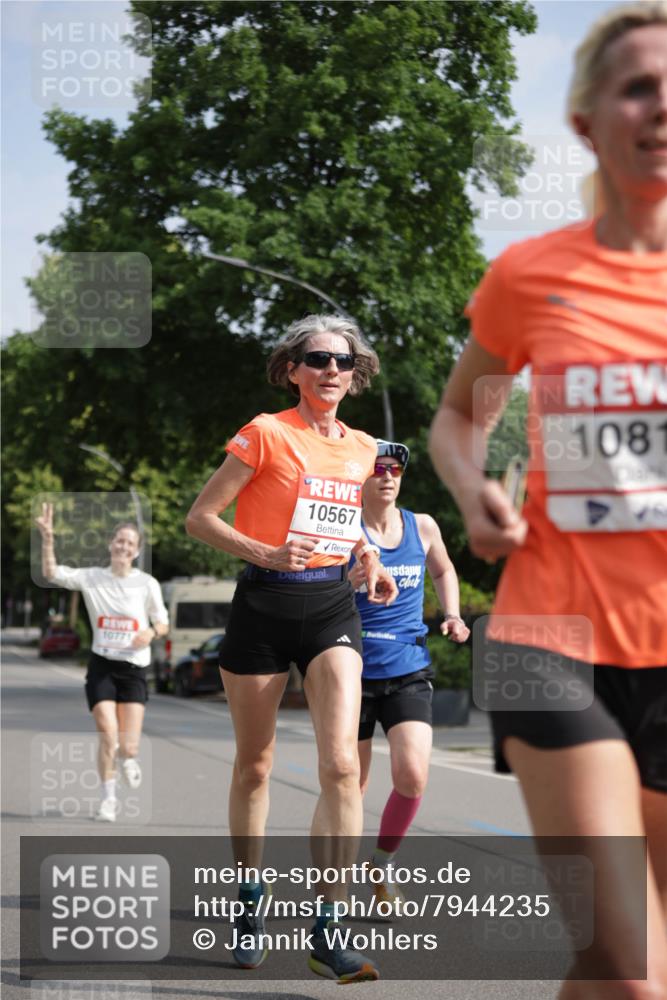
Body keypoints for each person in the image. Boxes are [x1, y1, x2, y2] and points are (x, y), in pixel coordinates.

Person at [429, 4, 667, 997]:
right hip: (549, 636)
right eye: (637, 85)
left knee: (616, 970)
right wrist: (473, 488)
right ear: (586, 122)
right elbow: (456, 414)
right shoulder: (532, 275)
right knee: (634, 964)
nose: (661, 105)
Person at [185, 314, 398, 983]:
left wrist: (370, 558)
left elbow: (349, 525)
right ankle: (249, 898)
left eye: (342, 361)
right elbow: (201, 518)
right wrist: (267, 552)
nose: (330, 369)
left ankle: (327, 926)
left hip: (333, 605)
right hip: (263, 606)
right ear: (293, 370)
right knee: (255, 765)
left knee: (341, 766)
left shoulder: (364, 447)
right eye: (316, 359)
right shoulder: (264, 432)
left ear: (355, 374)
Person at [348, 440, 469, 906]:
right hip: (351, 670)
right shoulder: (346, 530)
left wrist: (453, 614)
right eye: (377, 468)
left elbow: (443, 569)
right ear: (361, 476)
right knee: (352, 784)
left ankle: (381, 864)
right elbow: (322, 588)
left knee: (413, 775)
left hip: (408, 666)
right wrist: (351, 580)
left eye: (395, 468)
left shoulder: (422, 526)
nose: (387, 475)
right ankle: (337, 882)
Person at [35, 504, 169, 822]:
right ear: (111, 545)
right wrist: (48, 539)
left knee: (130, 748)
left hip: (134, 669)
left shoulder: (147, 584)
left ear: (136, 552)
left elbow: (163, 624)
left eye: (130, 544)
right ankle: (108, 799)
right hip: (103, 666)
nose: (123, 546)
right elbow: (52, 573)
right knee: (108, 733)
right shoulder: (92, 578)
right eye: (119, 541)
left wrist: (150, 632)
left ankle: (128, 758)